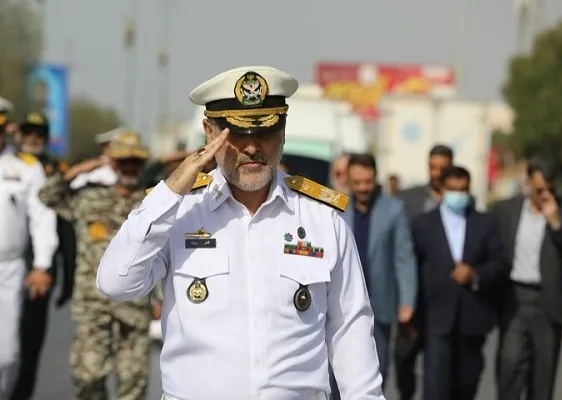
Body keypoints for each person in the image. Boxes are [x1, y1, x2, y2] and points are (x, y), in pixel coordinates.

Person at [96, 66, 385, 400]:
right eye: (236, 134)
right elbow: (115, 283)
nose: (251, 147)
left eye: (264, 132)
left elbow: (350, 328)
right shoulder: (179, 212)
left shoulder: (322, 218)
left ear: (283, 132)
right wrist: (170, 191)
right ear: (210, 132)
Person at [39, 131, 153, 400]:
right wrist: (82, 168)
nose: (130, 168)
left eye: (135, 162)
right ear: (113, 163)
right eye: (123, 161)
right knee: (87, 376)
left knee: (133, 379)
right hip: (92, 304)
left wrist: (160, 296)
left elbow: (163, 250)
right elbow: (47, 195)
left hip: (134, 304)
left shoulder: (151, 202)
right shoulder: (89, 198)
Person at [493, 158, 562, 400]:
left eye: (550, 189)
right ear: (528, 183)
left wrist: (556, 225)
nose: (545, 195)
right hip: (515, 300)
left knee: (542, 380)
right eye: (539, 190)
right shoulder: (507, 211)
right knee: (509, 368)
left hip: (548, 303)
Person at [412, 166, 507, 400]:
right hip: (436, 318)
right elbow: (411, 268)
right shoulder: (423, 224)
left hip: (472, 319)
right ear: (442, 189)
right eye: (453, 189)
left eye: (463, 190)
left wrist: (475, 275)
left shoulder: (485, 223)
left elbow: (499, 264)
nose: (458, 195)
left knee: (466, 385)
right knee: (435, 388)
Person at [330, 154, 416, 399]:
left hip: (379, 305)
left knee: (376, 374)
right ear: (349, 179)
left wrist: (407, 301)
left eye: (367, 182)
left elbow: (404, 257)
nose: (363, 188)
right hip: (339, 304)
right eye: (357, 182)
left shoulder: (393, 209)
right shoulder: (335, 206)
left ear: (375, 178)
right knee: (336, 377)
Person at [10, 112, 76, 400]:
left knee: (29, 341)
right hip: (9, 258)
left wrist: (68, 277)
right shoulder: (7, 164)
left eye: (38, 133)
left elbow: (66, 229)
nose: (32, 138)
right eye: (28, 132)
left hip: (39, 267)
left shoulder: (56, 172)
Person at [0, 118, 58, 399]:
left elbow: (42, 217)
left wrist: (42, 264)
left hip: (9, 269)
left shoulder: (27, 167)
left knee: (7, 355)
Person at [394, 143, 453, 400]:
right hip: (412, 295)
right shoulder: (409, 200)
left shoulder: (458, 202)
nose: (437, 173)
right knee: (403, 356)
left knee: (437, 367)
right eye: (433, 167)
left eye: (442, 168)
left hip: (442, 298)